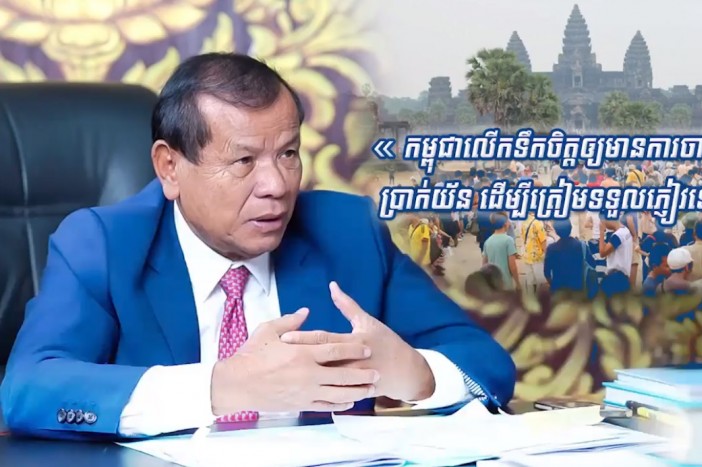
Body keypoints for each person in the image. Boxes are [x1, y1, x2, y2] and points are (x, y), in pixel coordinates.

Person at [0, 53, 515, 440]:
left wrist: (417, 375)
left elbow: (486, 365)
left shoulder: (348, 232)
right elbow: (28, 389)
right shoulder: (103, 243)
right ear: (169, 167)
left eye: (288, 153)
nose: (276, 185)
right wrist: (223, 387)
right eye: (243, 161)